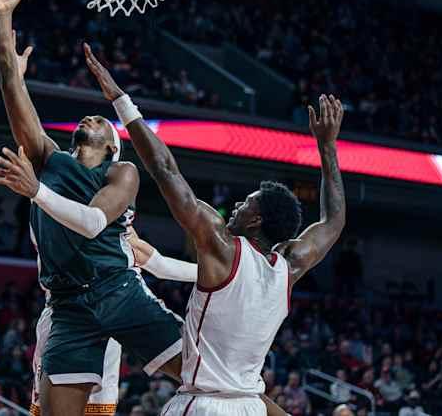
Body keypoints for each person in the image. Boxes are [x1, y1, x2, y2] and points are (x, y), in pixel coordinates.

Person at [85, 48, 346, 415]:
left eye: (247, 203)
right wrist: (327, 148)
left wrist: (120, 100)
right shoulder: (289, 267)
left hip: (205, 404)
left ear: (256, 221)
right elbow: (333, 221)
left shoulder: (223, 248)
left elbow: (164, 169)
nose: (238, 205)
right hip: (250, 406)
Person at [0, 0, 187, 416]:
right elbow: (10, 86)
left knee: (212, 378)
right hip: (66, 304)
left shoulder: (121, 172)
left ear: (112, 146)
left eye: (101, 121)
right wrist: (3, 18)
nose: (91, 116)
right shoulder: (48, 159)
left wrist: (36, 191)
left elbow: (93, 224)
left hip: (118, 290)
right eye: (87, 118)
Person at [25, 227, 198, 416]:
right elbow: (157, 265)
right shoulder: (59, 214)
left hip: (110, 316)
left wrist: (218, 274)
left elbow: (158, 264)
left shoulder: (117, 222)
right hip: (67, 315)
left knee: (200, 370)